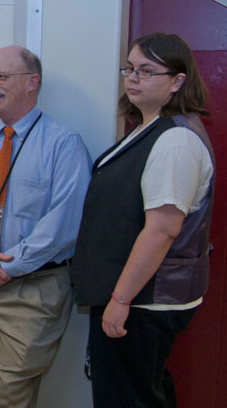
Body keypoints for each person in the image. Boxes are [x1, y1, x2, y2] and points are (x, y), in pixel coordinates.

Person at [71, 33, 215, 408]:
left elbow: (162, 229)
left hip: (144, 301)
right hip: (136, 296)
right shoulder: (150, 128)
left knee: (126, 399)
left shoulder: (175, 142)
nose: (133, 78)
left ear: (177, 81)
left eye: (147, 71)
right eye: (130, 69)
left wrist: (120, 299)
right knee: (144, 392)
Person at [0, 45, 91, 408]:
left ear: (32, 82)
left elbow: (63, 225)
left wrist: (4, 267)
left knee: (4, 400)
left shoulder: (63, 144)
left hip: (32, 292)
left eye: (1, 77)